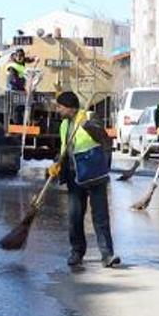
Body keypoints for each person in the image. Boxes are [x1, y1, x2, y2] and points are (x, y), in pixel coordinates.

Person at [48, 92, 120, 269]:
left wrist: (87, 125)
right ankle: (76, 253)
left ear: (69, 107)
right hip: (74, 175)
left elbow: (103, 139)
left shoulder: (89, 117)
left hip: (93, 173)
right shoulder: (64, 125)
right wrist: (57, 163)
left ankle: (107, 254)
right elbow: (65, 148)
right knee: (75, 216)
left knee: (100, 215)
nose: (58, 110)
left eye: (60, 107)